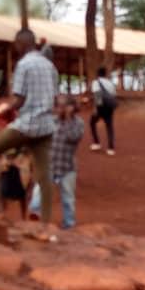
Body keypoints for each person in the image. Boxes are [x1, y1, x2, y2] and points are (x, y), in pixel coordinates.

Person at [0, 28, 58, 226]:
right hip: (47, 126)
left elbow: (19, 100)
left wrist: (4, 109)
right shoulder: (50, 66)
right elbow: (54, 99)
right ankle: (45, 222)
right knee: (44, 175)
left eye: (16, 44)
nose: (16, 47)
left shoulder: (23, 65)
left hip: (27, 124)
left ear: (21, 43)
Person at [29, 94, 85, 229]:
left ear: (71, 108)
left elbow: (73, 137)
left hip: (67, 167)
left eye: (62, 106)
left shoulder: (78, 123)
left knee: (68, 199)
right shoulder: (52, 121)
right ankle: (35, 216)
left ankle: (69, 225)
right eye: (57, 106)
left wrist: (68, 119)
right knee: (39, 193)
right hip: (49, 164)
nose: (58, 109)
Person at [89, 67, 118, 156]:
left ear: (98, 74)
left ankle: (96, 143)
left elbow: (97, 95)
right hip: (109, 107)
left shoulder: (96, 82)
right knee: (109, 126)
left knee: (92, 122)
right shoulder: (110, 83)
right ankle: (110, 148)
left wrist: (96, 108)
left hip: (100, 106)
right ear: (105, 74)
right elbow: (114, 95)